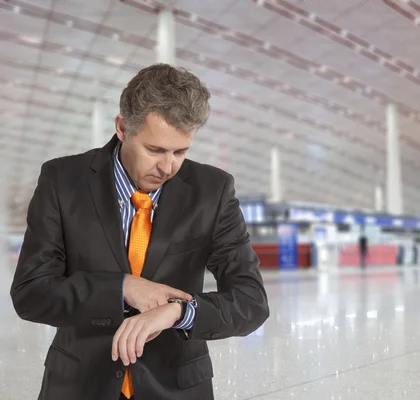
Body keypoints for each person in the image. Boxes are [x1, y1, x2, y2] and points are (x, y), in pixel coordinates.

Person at [10, 64, 269, 400]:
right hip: (79, 385)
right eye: (155, 150)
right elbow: (31, 294)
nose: (168, 167)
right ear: (122, 127)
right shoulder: (62, 181)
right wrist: (121, 288)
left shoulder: (212, 191)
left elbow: (251, 301)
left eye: (181, 152)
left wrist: (178, 311)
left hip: (176, 386)